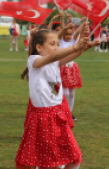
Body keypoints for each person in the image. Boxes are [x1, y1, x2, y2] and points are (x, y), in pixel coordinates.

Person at [15, 26, 91, 169]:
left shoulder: (54, 62)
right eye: (52, 44)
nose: (57, 47)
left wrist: (83, 43)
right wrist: (76, 46)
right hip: (44, 119)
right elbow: (56, 55)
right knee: (51, 164)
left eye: (58, 44)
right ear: (39, 47)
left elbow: (74, 54)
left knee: (73, 160)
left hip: (58, 115)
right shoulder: (34, 60)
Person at [58, 21, 87, 121]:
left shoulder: (72, 41)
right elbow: (62, 29)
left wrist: (83, 24)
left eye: (70, 34)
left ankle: (69, 113)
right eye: (66, 34)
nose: (69, 36)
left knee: (72, 94)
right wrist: (63, 20)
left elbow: (78, 31)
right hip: (63, 68)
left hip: (71, 69)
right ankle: (63, 112)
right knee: (65, 93)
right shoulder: (61, 42)